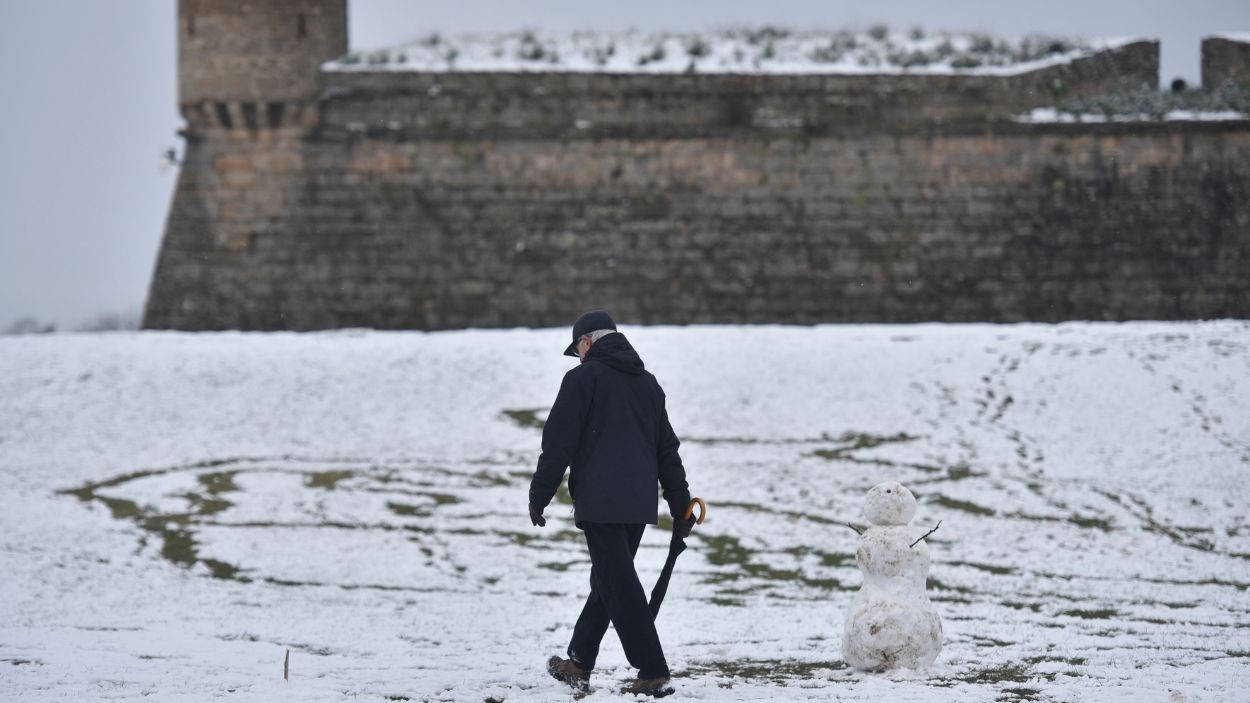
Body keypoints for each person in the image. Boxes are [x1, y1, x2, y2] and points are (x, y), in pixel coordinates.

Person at [529, 310, 694, 698]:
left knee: (618, 583)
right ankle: (579, 662)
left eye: (579, 350)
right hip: (637, 505)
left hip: (599, 503)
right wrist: (679, 502)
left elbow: (558, 443)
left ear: (587, 342)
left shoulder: (582, 379)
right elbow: (667, 452)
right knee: (607, 581)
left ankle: (652, 669)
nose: (579, 358)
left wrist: (540, 493)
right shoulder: (648, 385)